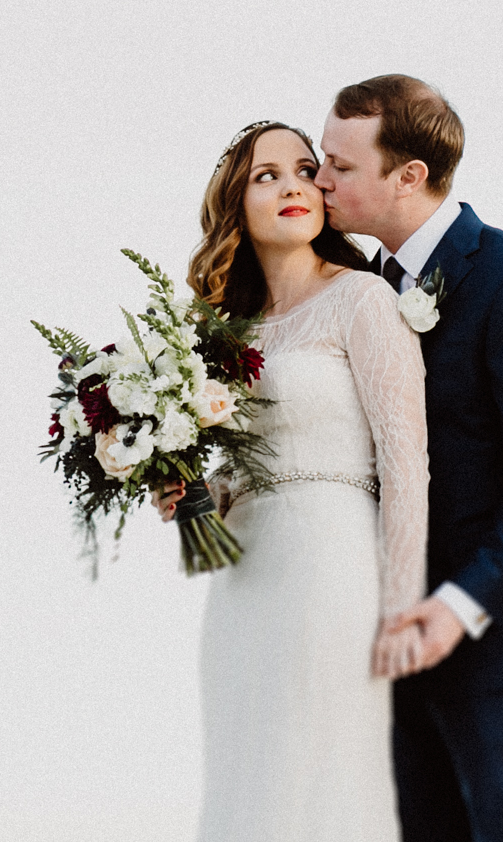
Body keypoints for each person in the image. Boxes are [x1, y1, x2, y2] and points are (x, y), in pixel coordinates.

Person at [319, 76, 503, 842]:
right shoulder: (360, 289)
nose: (319, 180)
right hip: (395, 637)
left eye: (339, 165)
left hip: (501, 635)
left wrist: (458, 606)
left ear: (408, 175)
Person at [170, 120, 432, 842]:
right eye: (266, 174)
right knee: (248, 777)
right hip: (243, 583)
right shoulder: (228, 332)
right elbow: (236, 469)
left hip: (332, 570)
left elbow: (407, 460)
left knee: (321, 776)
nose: (292, 183)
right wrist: (192, 492)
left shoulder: (362, 299)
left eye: (304, 168)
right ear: (237, 202)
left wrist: (403, 610)